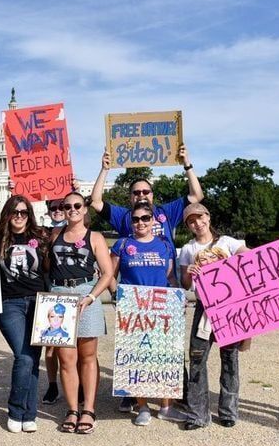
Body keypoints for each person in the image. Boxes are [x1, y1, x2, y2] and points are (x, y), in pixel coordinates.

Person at [90, 143, 202, 413]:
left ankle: (173, 394)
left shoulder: (166, 212)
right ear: (130, 197)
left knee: (168, 347)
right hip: (135, 294)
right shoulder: (124, 217)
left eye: (146, 191)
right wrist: (105, 169)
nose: (142, 195)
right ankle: (133, 393)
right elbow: (95, 202)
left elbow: (196, 195)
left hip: (163, 290)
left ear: (153, 195)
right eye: (136, 192)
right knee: (135, 346)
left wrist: (187, 164)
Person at [110, 202, 188, 426]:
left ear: (153, 220)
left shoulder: (164, 245)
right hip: (134, 311)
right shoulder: (123, 244)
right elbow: (110, 275)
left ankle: (166, 406)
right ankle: (142, 405)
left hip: (162, 309)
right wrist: (118, 297)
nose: (140, 223)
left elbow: (170, 276)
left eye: (145, 218)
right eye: (135, 219)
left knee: (165, 355)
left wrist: (178, 298)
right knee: (137, 358)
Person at [48, 191, 114, 434]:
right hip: (59, 294)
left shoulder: (95, 237)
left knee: (87, 356)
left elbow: (107, 272)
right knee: (66, 359)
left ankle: (89, 408)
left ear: (85, 209)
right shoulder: (55, 234)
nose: (72, 210)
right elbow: (46, 266)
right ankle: (72, 409)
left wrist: (92, 296)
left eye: (77, 205)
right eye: (67, 206)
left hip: (86, 293)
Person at [178, 203, 248, 430]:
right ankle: (198, 414)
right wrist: (189, 273)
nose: (197, 224)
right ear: (188, 226)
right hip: (204, 307)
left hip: (229, 307)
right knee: (197, 357)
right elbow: (185, 283)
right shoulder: (188, 249)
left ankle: (228, 411)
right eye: (191, 221)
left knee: (229, 358)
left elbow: (250, 258)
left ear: (208, 217)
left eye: (200, 218)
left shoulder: (227, 242)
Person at [0, 194, 50, 433]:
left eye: (24, 212)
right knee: (24, 357)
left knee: (33, 359)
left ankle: (29, 414)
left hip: (39, 302)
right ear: (7, 214)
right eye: (15, 212)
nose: (19, 216)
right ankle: (16, 410)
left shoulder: (41, 237)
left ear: (29, 215)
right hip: (10, 304)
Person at [41, 198, 67, 405]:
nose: (57, 210)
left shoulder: (78, 228)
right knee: (50, 344)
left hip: (72, 288)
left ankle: (79, 385)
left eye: (62, 207)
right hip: (50, 287)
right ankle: (52, 385)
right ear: (48, 210)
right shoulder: (43, 233)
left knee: (76, 343)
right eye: (53, 208)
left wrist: (75, 189)